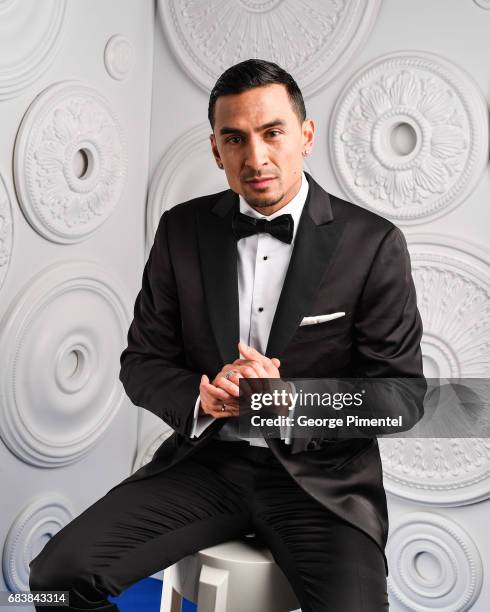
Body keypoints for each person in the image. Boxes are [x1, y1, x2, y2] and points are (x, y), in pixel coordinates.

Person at [28, 58, 425, 611]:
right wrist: (199, 395)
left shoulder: (373, 244)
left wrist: (291, 404)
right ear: (216, 149)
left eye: (272, 133)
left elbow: (402, 398)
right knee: (52, 581)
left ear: (305, 136)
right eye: (235, 138)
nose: (255, 157)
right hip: (208, 466)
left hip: (321, 486)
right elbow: (141, 362)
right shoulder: (181, 231)